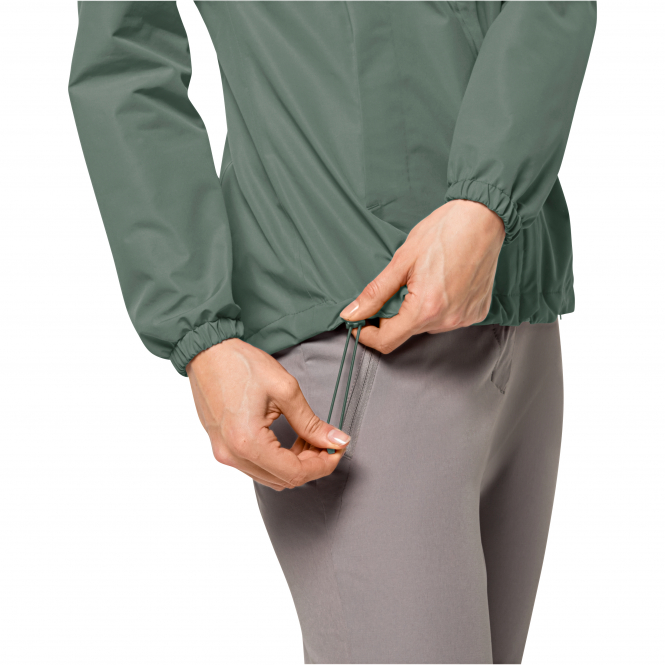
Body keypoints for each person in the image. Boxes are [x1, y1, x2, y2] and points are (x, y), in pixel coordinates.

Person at [69, 2, 596, 662]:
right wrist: (198, 332)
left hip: (517, 296)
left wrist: (489, 202)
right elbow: (126, 55)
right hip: (350, 326)